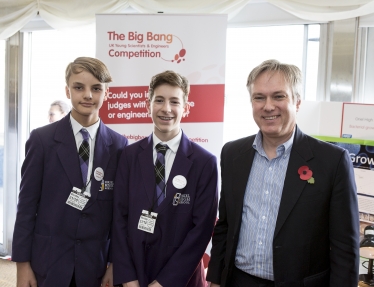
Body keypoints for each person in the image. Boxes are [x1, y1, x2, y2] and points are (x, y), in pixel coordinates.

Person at [206, 59, 359, 287]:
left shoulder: (332, 161)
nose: (268, 106)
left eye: (278, 96)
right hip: (238, 281)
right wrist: (216, 280)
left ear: (297, 102)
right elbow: (225, 226)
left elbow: (344, 247)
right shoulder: (232, 154)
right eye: (259, 97)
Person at [12, 57, 128, 287]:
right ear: (67, 90)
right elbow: (26, 206)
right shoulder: (42, 140)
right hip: (48, 261)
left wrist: (115, 264)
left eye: (96, 88)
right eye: (79, 87)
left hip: (95, 264)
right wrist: (22, 264)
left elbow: (119, 214)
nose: (88, 95)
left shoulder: (119, 146)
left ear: (106, 93)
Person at [112, 70, 218, 287]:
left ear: (186, 108)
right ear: (148, 104)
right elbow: (118, 219)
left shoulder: (204, 162)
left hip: (183, 279)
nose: (166, 109)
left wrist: (164, 283)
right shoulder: (128, 157)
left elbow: (202, 230)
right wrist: (127, 277)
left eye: (174, 102)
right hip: (136, 277)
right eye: (159, 100)